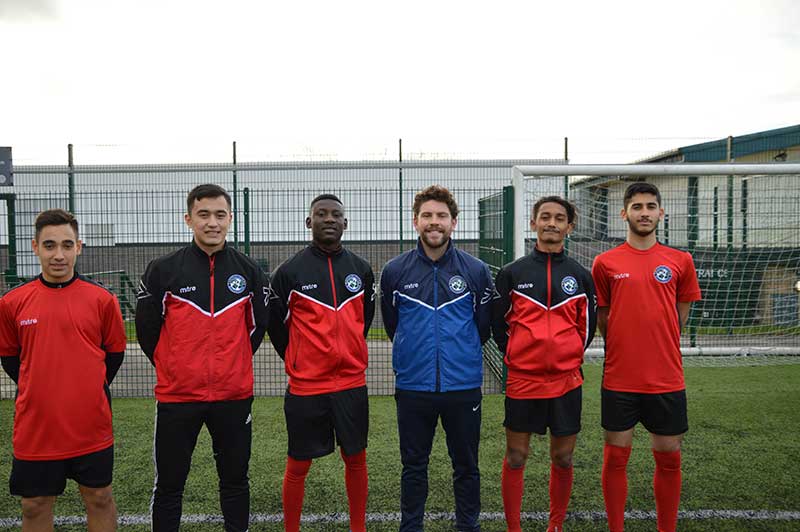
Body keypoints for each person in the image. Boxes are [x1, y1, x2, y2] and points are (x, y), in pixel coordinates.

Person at [135, 184, 269, 532]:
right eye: (204, 214)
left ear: (230, 219)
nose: (212, 222)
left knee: (235, 481)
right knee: (169, 486)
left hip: (234, 396)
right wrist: (175, 365)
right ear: (189, 219)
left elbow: (256, 329)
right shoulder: (163, 269)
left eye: (220, 215)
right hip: (178, 397)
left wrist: (230, 364)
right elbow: (147, 331)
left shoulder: (250, 270)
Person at [0, 209, 126, 532]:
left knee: (99, 497)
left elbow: (114, 355)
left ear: (79, 247)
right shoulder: (13, 303)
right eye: (50, 245)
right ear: (35, 247)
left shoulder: (103, 301)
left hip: (91, 425)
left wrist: (83, 388)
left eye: (67, 245)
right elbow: (11, 359)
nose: (59, 255)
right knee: (34, 504)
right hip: (37, 428)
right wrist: (41, 385)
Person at [381, 185, 495, 532]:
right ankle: (411, 526)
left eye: (441, 216)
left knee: (466, 465)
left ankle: (468, 526)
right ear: (416, 222)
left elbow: (484, 327)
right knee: (413, 465)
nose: (434, 223)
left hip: (463, 387)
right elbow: (391, 323)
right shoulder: (395, 271)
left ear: (454, 223)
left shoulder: (475, 271)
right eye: (427, 216)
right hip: (414, 386)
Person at [591, 182, 701, 532]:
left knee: (669, 458)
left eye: (650, 206)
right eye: (636, 206)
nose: (644, 212)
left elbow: (680, 316)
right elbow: (604, 318)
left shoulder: (680, 261)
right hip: (620, 377)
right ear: (624, 213)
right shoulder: (605, 262)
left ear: (660, 213)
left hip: (666, 377)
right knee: (616, 458)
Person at [267, 194, 375, 532]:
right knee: (298, 463)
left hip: (351, 385)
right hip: (306, 386)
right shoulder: (288, 272)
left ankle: (358, 527)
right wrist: (302, 360)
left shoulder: (361, 269)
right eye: (321, 214)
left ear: (346, 223)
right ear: (308, 222)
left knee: (355, 459)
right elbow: (276, 328)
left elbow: (365, 320)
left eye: (336, 215)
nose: (329, 219)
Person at [492, 196, 596, 532]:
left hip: (567, 382)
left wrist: (564, 356)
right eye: (545, 217)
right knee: (516, 456)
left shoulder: (580, 276)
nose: (552, 223)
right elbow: (499, 325)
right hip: (523, 381)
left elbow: (588, 328)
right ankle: (514, 527)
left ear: (570, 226)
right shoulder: (512, 273)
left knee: (563, 458)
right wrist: (522, 356)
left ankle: (555, 525)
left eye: (559, 218)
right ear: (534, 223)